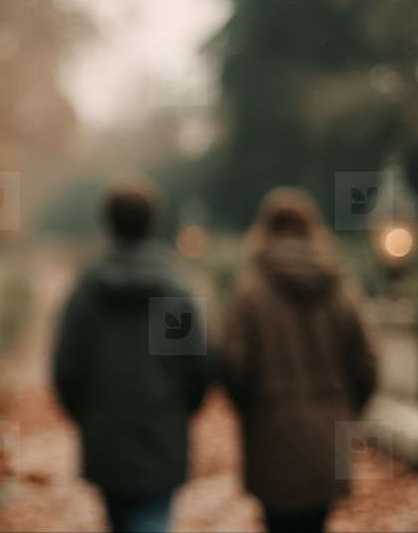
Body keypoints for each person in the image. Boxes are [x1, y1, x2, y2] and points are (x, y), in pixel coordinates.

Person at [53, 178, 211, 533]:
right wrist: (177, 411)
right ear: (154, 222)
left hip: (106, 435)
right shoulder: (174, 289)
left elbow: (66, 369)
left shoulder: (87, 290)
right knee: (151, 519)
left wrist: (90, 415)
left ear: (107, 222)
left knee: (121, 520)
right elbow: (196, 368)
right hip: (161, 433)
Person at [222, 187, 378, 533]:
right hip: (328, 439)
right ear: (313, 229)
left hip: (271, 436)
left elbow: (233, 366)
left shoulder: (249, 291)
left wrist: (252, 408)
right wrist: (345, 412)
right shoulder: (342, 289)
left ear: (264, 231)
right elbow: (367, 366)